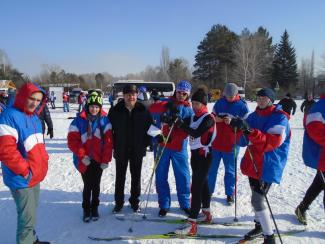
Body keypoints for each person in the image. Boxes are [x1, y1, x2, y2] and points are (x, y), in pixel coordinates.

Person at [229, 88, 290, 244]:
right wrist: (237, 129)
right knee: (257, 197)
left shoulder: (280, 118)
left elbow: (272, 142)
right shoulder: (253, 116)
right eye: (259, 98)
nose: (261, 100)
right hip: (253, 162)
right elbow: (242, 142)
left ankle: (269, 237)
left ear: (271, 100)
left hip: (268, 164)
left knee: (257, 200)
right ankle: (259, 225)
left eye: (264, 98)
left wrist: (249, 130)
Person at [0, 82, 50, 244]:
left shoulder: (34, 116)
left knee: (31, 213)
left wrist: (44, 161)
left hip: (34, 174)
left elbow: (37, 145)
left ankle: (31, 239)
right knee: (26, 219)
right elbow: (6, 150)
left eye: (38, 100)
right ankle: (26, 240)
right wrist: (25, 170)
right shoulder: (10, 115)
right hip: (22, 178)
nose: (35, 103)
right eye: (32, 98)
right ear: (22, 96)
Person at [172, 88, 216, 235]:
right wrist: (171, 119)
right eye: (193, 103)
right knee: (202, 184)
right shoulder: (192, 117)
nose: (195, 106)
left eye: (198, 104)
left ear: (204, 104)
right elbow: (180, 123)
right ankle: (207, 213)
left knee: (196, 187)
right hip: (195, 155)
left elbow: (196, 132)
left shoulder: (209, 118)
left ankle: (192, 223)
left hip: (205, 156)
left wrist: (181, 124)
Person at [68, 91, 113, 222]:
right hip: (84, 160)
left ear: (100, 107)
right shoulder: (78, 121)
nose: (94, 109)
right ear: (87, 106)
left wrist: (105, 159)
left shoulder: (104, 120)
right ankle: (86, 209)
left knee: (96, 185)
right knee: (88, 185)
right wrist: (82, 156)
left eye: (97, 107)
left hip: (98, 160)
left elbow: (109, 142)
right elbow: (72, 141)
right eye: (92, 106)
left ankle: (95, 208)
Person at [108, 84, 153, 213]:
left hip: (137, 150)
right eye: (128, 95)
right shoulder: (116, 110)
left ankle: (134, 202)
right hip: (121, 148)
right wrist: (111, 144)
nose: (131, 97)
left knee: (136, 178)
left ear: (136, 95)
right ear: (124, 95)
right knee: (120, 177)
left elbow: (151, 127)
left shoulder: (143, 110)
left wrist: (147, 142)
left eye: (133, 94)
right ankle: (119, 203)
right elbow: (108, 130)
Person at [154, 80, 194, 217]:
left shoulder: (189, 109)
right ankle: (164, 204)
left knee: (183, 176)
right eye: (179, 92)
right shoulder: (166, 103)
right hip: (162, 146)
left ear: (188, 95)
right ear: (175, 91)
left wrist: (179, 126)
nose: (181, 95)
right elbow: (152, 115)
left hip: (178, 147)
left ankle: (185, 204)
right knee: (160, 176)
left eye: (184, 93)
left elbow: (188, 131)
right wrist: (157, 134)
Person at [208, 83, 249, 205]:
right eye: (227, 96)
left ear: (236, 94)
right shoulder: (220, 103)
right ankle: (209, 191)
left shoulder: (242, 106)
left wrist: (233, 122)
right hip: (216, 142)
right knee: (212, 169)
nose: (229, 98)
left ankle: (230, 193)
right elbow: (211, 117)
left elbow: (246, 124)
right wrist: (217, 119)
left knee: (230, 171)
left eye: (232, 96)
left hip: (232, 144)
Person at [295, 88, 325, 225]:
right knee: (319, 183)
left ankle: (302, 208)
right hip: (323, 158)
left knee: (318, 183)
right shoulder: (319, 107)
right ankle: (302, 208)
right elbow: (313, 129)